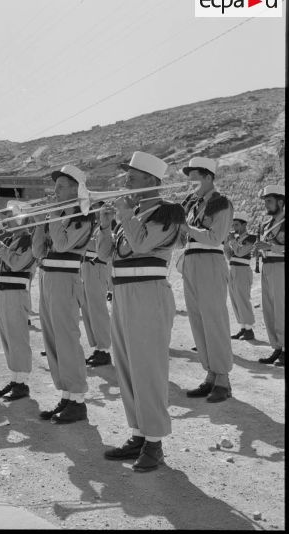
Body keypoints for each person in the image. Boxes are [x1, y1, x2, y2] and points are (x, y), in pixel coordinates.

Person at [99, 151, 183, 472]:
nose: (126, 181)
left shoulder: (169, 212)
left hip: (149, 293)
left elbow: (142, 246)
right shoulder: (130, 215)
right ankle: (138, 433)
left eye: (132, 176)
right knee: (127, 367)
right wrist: (106, 226)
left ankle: (155, 442)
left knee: (148, 367)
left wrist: (124, 215)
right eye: (127, 175)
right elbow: (106, 255)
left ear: (151, 180)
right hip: (121, 294)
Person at [32, 164, 94, 424]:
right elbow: (38, 252)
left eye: (60, 187)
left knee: (67, 338)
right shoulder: (55, 215)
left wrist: (54, 216)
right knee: (52, 339)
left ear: (75, 189)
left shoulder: (83, 215)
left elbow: (61, 244)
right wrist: (38, 224)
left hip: (65, 278)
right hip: (48, 276)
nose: (54, 192)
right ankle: (66, 395)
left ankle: (78, 400)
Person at [180, 157, 234, 403]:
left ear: (209, 177)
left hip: (210, 262)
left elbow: (215, 238)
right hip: (191, 261)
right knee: (198, 320)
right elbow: (187, 238)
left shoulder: (222, 203)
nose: (191, 182)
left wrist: (187, 228)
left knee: (214, 320)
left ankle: (223, 378)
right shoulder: (192, 204)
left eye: (195, 176)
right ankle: (211, 374)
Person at [0, 209, 36, 401]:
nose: (6, 222)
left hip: (17, 292)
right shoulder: (11, 239)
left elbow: (17, 264)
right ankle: (15, 378)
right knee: (7, 337)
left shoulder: (29, 240)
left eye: (11, 219)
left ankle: (22, 383)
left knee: (17, 337)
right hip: (3, 292)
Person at [255, 185, 285, 367]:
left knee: (282, 310)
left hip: (281, 268)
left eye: (269, 201)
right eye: (265, 201)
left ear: (281, 202)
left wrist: (271, 248)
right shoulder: (267, 225)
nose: (266, 205)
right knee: (269, 310)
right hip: (267, 268)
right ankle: (277, 347)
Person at [81, 207, 112, 367]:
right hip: (86, 267)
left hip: (97, 267)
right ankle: (98, 347)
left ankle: (105, 349)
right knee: (88, 309)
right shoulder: (93, 227)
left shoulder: (106, 226)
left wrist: (80, 238)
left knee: (97, 309)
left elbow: (98, 246)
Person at [224, 212, 256, 341]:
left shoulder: (251, 238)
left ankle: (249, 330)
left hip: (243, 270)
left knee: (242, 299)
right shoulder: (235, 239)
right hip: (233, 269)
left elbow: (241, 252)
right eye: (233, 225)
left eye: (236, 225)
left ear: (244, 224)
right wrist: (226, 244)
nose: (234, 227)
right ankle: (243, 328)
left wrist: (232, 241)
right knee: (235, 300)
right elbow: (230, 256)